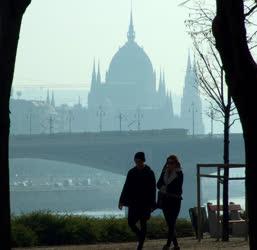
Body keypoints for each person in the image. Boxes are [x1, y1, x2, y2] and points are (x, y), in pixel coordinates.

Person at [119, 152, 156, 250]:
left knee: (143, 222)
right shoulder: (131, 172)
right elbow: (126, 186)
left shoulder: (149, 172)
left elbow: (153, 189)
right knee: (130, 222)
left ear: (143, 161)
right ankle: (141, 237)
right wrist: (121, 201)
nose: (137, 163)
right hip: (134, 202)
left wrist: (153, 204)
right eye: (136, 161)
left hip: (145, 203)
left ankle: (140, 245)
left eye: (139, 161)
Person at [157, 155, 183, 250]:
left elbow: (178, 188)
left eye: (171, 163)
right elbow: (158, 184)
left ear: (176, 164)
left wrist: (165, 188)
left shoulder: (179, 173)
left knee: (172, 223)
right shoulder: (164, 172)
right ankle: (176, 246)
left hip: (175, 201)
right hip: (165, 201)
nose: (169, 165)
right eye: (168, 163)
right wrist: (163, 188)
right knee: (170, 224)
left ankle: (168, 245)